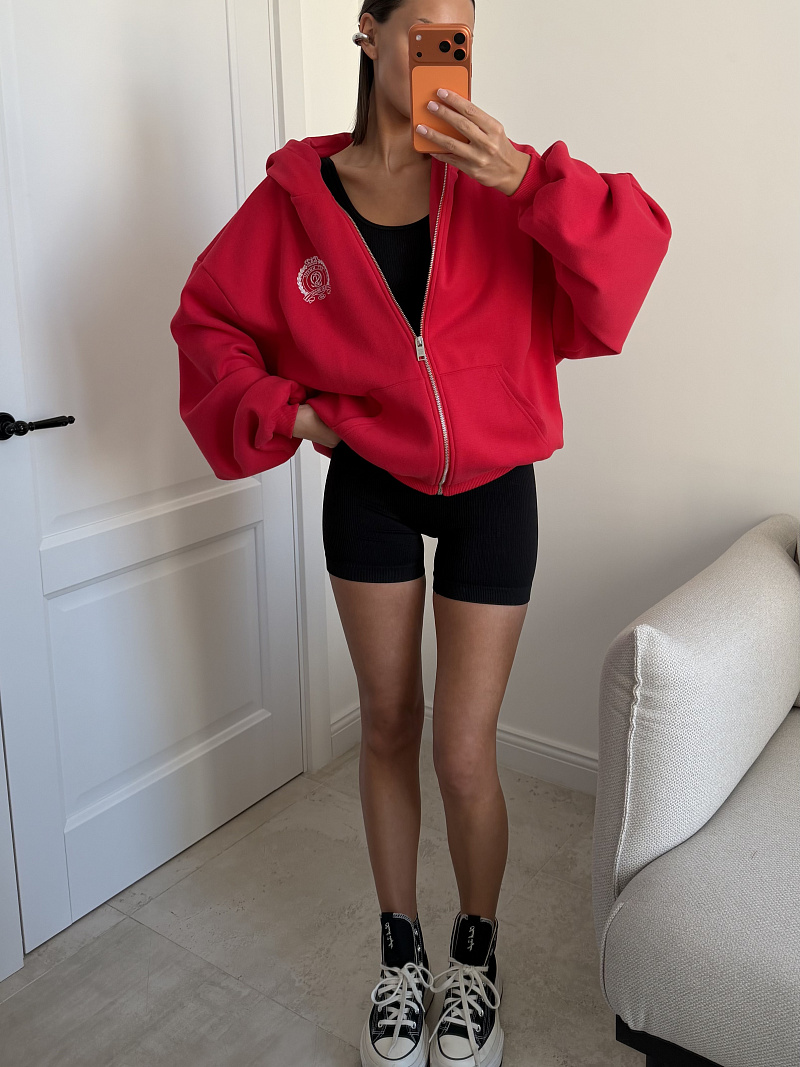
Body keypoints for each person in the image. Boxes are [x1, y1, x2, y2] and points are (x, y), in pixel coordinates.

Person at [170, 2, 671, 1064]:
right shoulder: (299, 198)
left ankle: (473, 954)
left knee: (461, 749)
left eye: (460, 38)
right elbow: (207, 320)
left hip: (492, 489)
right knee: (388, 725)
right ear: (368, 31)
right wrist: (296, 415)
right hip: (369, 488)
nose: (444, 56)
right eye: (424, 32)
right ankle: (399, 955)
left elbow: (631, 257)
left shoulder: (499, 181)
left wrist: (525, 180)